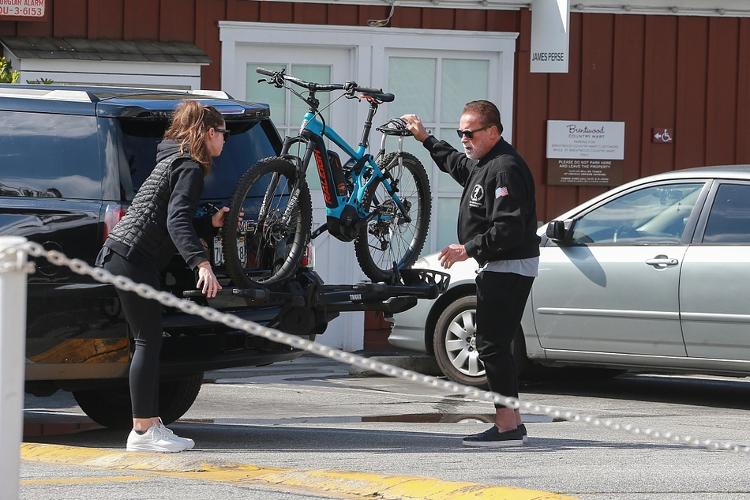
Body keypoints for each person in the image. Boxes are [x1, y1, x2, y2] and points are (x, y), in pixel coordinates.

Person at [401, 100, 540, 447]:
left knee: (491, 346)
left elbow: (509, 228)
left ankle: (508, 426)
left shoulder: (505, 168)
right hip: (498, 265)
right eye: (460, 132)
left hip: (509, 266)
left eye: (470, 133)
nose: (464, 139)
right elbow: (455, 164)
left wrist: (469, 248)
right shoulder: (484, 164)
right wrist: (426, 138)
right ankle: (512, 420)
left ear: (493, 132)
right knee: (494, 344)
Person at [96, 100, 231, 452]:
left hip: (124, 255)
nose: (225, 142)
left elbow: (166, 218)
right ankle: (142, 431)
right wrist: (201, 262)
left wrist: (208, 224)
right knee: (147, 340)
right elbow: (175, 221)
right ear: (207, 133)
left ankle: (150, 423)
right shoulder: (189, 166)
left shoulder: (171, 159)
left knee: (148, 340)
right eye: (223, 134)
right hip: (131, 257)